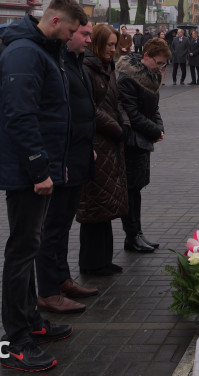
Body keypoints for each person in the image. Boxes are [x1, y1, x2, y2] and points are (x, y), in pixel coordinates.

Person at [0, 0, 88, 371]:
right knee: (21, 250)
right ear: (56, 20)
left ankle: (31, 323)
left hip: (36, 169)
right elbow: (20, 116)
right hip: (26, 173)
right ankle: (16, 340)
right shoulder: (25, 53)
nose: (70, 38)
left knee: (28, 247)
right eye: (69, 31)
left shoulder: (42, 50)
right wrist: (38, 169)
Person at [36, 20, 98, 315]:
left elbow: (82, 110)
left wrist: (89, 146)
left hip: (78, 155)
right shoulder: (57, 62)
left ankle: (62, 279)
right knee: (52, 227)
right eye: (84, 34)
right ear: (68, 32)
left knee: (63, 225)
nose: (89, 40)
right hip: (61, 158)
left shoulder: (74, 61)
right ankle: (48, 291)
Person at [78, 24, 130, 277]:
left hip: (111, 142)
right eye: (109, 44)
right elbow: (90, 108)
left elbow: (116, 102)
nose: (114, 49)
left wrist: (124, 122)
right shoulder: (87, 68)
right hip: (98, 142)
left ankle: (104, 260)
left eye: (115, 44)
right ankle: (91, 263)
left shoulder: (107, 69)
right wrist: (117, 127)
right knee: (95, 204)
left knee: (107, 203)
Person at [117, 37, 169, 253]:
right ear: (146, 56)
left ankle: (138, 234)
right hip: (131, 140)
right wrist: (154, 130)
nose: (160, 68)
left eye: (163, 64)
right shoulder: (128, 78)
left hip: (143, 138)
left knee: (136, 189)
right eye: (158, 63)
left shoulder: (150, 76)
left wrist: (159, 127)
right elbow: (132, 113)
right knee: (130, 190)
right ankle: (132, 236)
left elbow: (154, 108)